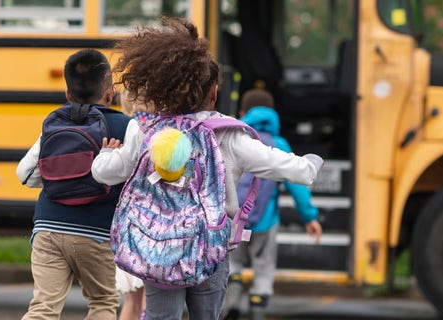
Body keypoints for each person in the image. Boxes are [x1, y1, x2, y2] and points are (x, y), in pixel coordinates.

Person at [91, 18, 323, 320]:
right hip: (211, 247)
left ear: (162, 88)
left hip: (157, 246)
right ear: (214, 92)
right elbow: (286, 166)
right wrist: (312, 164)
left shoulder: (144, 128)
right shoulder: (229, 135)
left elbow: (107, 173)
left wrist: (103, 157)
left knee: (161, 315)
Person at [17, 49, 131, 320]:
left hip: (47, 227)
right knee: (103, 301)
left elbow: (25, 174)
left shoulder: (54, 122)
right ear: (110, 92)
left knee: (43, 306)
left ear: (68, 94)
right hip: (97, 231)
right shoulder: (127, 126)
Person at [220, 89, 323, 320]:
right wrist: (310, 217)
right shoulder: (279, 144)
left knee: (232, 260)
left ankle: (233, 290)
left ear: (243, 113)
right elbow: (298, 187)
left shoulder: (236, 140)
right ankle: (258, 304)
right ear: (273, 114)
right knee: (264, 266)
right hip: (266, 219)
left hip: (234, 220)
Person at [114, 89, 152, 320]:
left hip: (127, 224)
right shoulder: (158, 130)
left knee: (131, 299)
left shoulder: (122, 130)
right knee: (153, 297)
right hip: (153, 223)